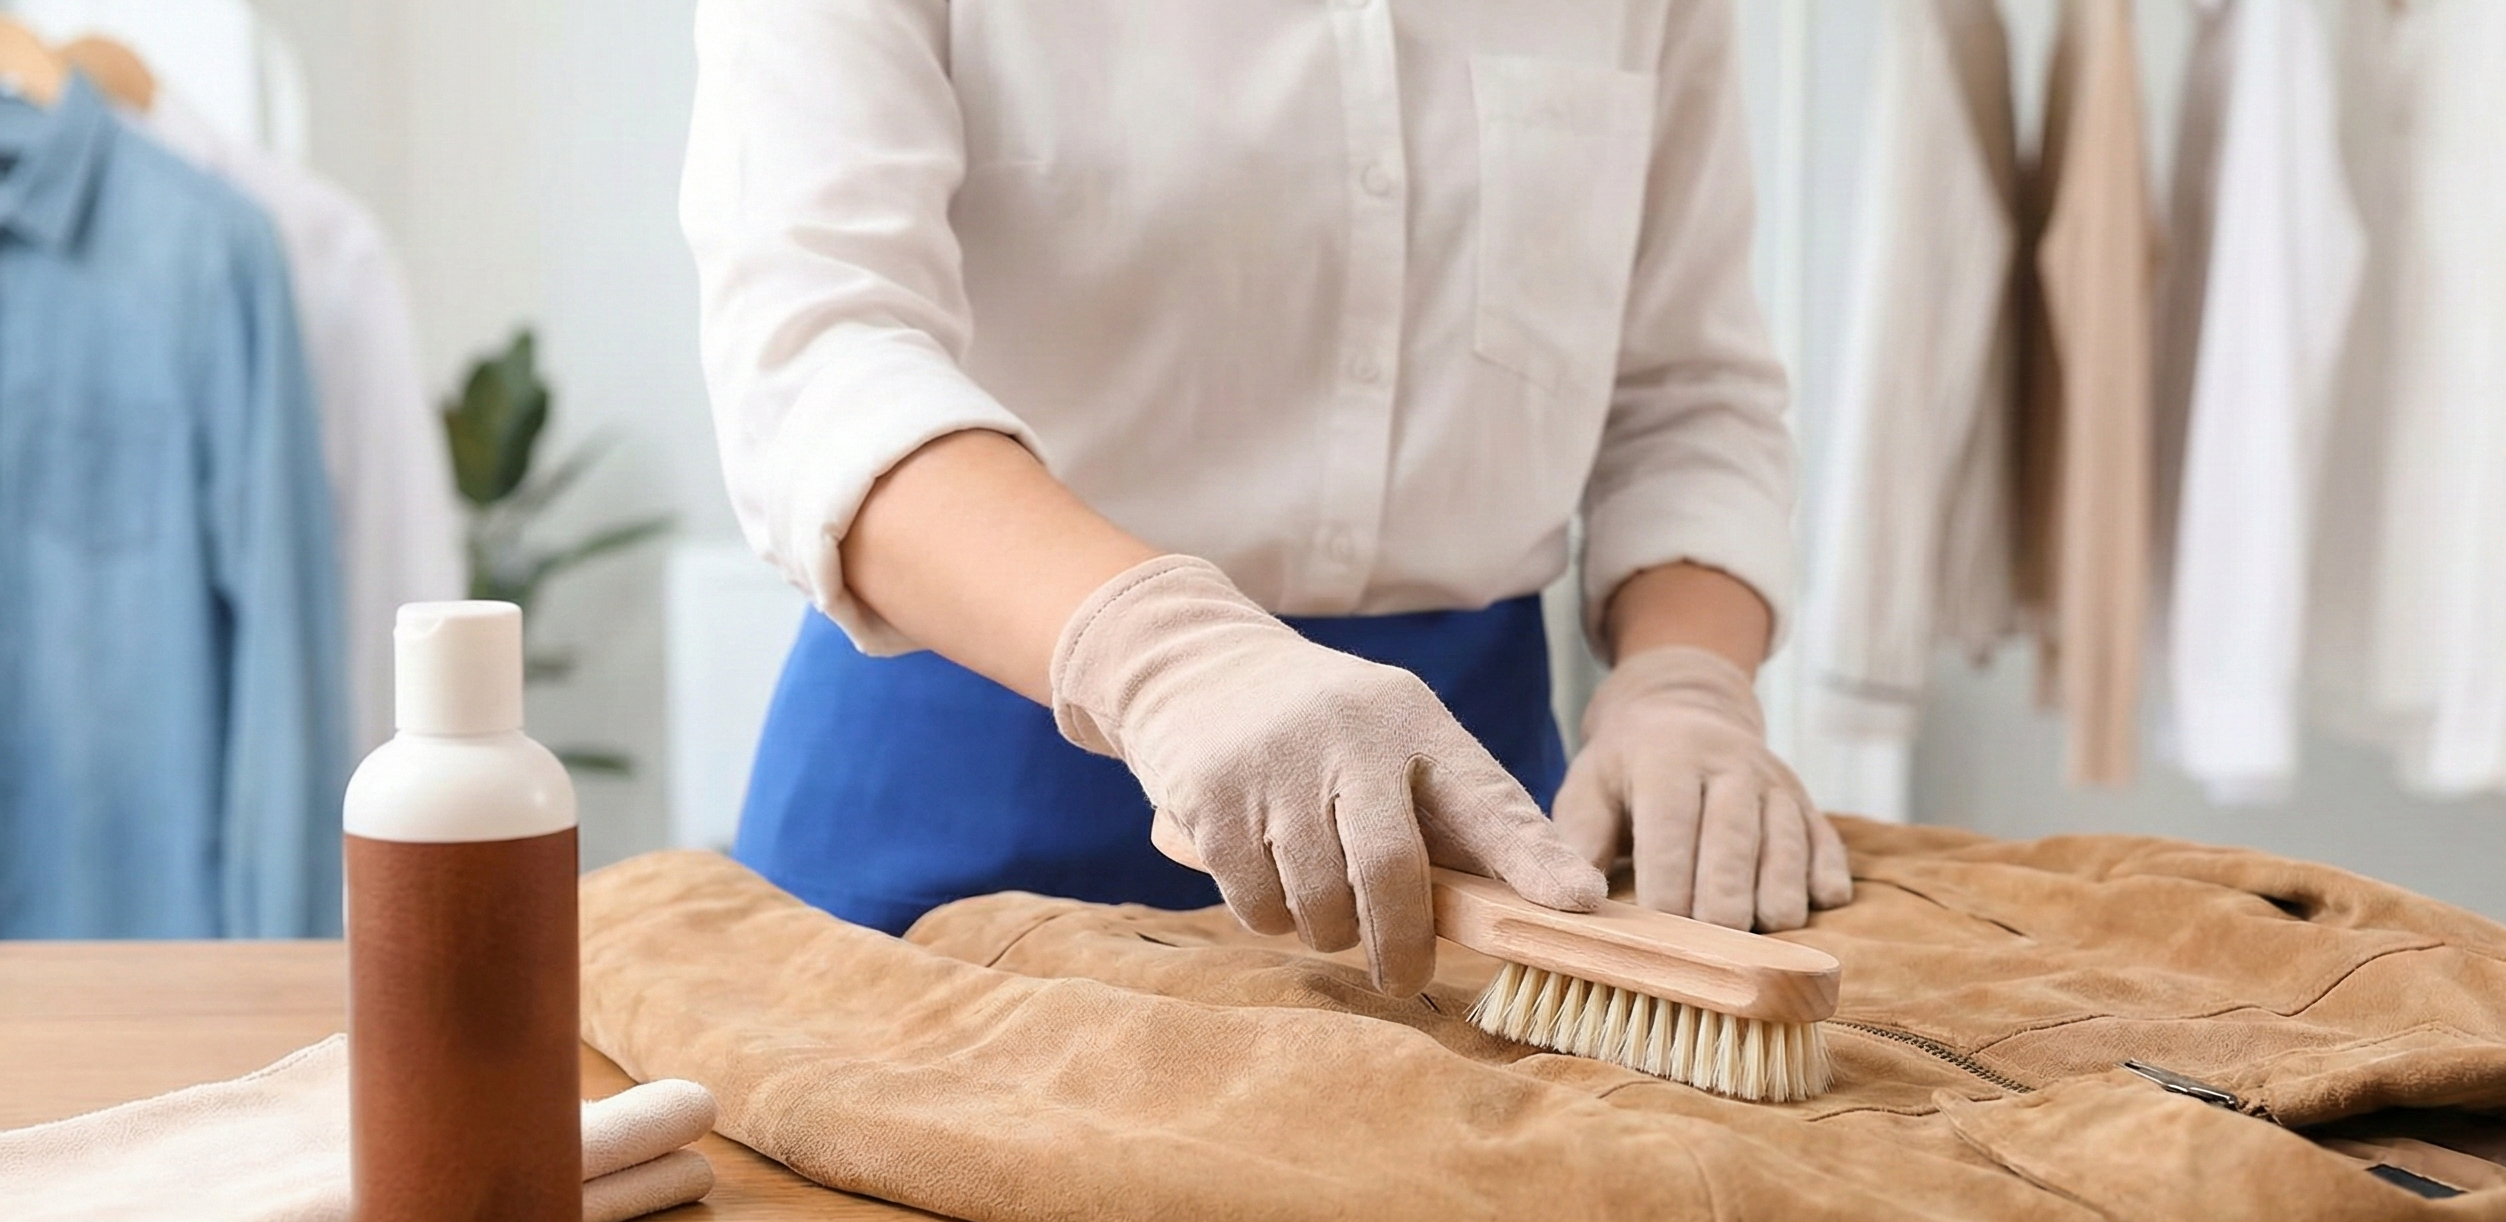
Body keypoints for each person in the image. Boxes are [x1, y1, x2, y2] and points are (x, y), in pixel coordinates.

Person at [683, 0, 1850, 997]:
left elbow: (1684, 389)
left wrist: (1682, 682)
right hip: (959, 788)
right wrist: (1166, 654)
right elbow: (820, 361)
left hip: (1457, 822)